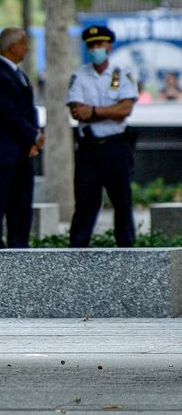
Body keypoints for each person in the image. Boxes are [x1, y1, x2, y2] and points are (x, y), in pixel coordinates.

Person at [67, 25, 138, 248]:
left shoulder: (122, 73)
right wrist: (109, 111)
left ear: (109, 46)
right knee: (85, 202)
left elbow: (125, 109)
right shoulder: (79, 75)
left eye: (99, 44)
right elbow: (78, 112)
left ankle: (127, 250)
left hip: (116, 146)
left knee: (122, 201)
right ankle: (77, 252)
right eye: (91, 45)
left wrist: (95, 112)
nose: (95, 49)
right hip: (89, 148)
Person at [0, 28, 44, 250]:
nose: (26, 48)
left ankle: (19, 247)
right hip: (4, 154)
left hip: (22, 152)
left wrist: (33, 141)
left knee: (21, 206)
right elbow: (8, 115)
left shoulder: (18, 74)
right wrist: (34, 135)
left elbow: (28, 111)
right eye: (24, 43)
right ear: (12, 47)